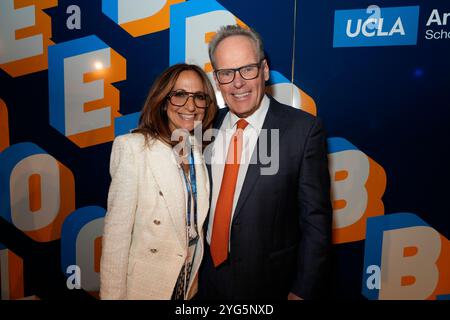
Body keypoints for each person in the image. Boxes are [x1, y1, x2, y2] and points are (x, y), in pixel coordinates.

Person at [198, 25, 332, 300]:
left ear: (265, 69)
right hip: (205, 283)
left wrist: (302, 290)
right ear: (216, 79)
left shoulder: (303, 131)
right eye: (226, 73)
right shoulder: (205, 127)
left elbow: (315, 221)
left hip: (269, 287)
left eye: (247, 69)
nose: (238, 83)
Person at [100, 63, 217, 300]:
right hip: (146, 287)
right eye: (180, 95)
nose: (191, 106)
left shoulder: (197, 150)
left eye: (199, 97)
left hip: (187, 286)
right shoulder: (133, 148)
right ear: (164, 101)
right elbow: (116, 237)